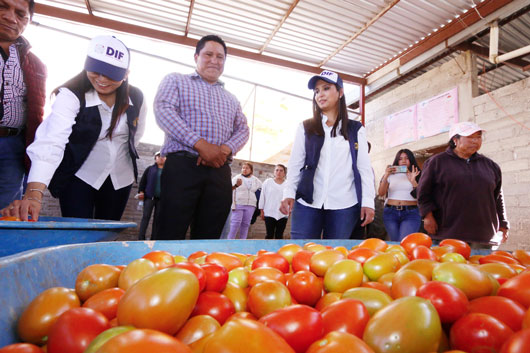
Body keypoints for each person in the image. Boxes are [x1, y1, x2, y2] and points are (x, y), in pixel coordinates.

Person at [1, 35, 146, 221]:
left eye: (111, 74)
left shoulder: (137, 97)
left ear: (126, 74)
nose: (102, 79)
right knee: (77, 226)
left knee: (107, 229)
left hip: (120, 178)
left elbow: (136, 134)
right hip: (79, 175)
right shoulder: (71, 95)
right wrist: (33, 194)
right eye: (96, 70)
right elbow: (53, 140)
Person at [154, 34, 249, 240]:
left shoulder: (231, 99)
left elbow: (243, 130)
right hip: (182, 168)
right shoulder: (176, 80)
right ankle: (165, 271)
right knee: (169, 231)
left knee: (209, 236)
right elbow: (164, 111)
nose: (214, 60)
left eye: (220, 57)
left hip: (219, 172)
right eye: (208, 54)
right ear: (196, 56)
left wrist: (222, 151)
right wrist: (200, 145)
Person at [280, 70, 375, 239]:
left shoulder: (356, 129)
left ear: (340, 92)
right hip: (307, 202)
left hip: (345, 205)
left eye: (326, 88)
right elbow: (295, 163)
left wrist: (368, 202)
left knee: (336, 257)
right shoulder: (306, 127)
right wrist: (288, 192)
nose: (320, 94)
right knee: (301, 253)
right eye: (316, 91)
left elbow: (364, 169)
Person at [417, 121, 509, 247]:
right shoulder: (436, 163)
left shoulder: (490, 166)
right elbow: (423, 193)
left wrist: (503, 224)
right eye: (470, 137)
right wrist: (427, 216)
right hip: (448, 233)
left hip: (483, 235)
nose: (475, 141)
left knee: (483, 266)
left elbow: (498, 197)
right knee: (450, 266)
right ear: (455, 140)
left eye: (478, 137)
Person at [0, 0, 46, 209]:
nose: (11, 17)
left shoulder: (36, 65)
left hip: (13, 146)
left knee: (7, 210)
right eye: (2, 6)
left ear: (28, 21)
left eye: (20, 14)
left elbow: (36, 112)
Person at [378, 149, 421, 241]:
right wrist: (386, 175)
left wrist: (413, 181)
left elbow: (421, 196)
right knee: (394, 242)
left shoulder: (418, 174)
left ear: (411, 159)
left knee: (404, 241)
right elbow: (381, 193)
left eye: (407, 158)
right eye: (400, 159)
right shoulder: (390, 175)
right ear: (397, 161)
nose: (404, 161)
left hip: (411, 213)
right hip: (391, 212)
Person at [227, 162, 262, 239]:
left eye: (247, 168)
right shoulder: (236, 178)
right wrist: (232, 204)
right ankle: (229, 241)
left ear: (251, 170)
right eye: (243, 168)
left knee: (246, 224)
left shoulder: (256, 180)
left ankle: (242, 242)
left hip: (251, 205)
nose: (244, 169)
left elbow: (261, 191)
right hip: (238, 204)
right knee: (235, 223)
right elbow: (230, 190)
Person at [137, 151, 166, 240]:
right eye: (158, 156)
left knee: (157, 220)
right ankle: (141, 238)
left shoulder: (168, 171)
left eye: (163, 156)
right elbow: (143, 182)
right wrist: (141, 192)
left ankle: (154, 238)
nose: (161, 157)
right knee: (145, 217)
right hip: (149, 197)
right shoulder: (150, 169)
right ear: (155, 158)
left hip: (161, 199)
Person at [259, 164, 288, 239]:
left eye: (281, 170)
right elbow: (262, 196)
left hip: (283, 214)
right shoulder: (268, 182)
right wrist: (261, 210)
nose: (279, 172)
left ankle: (279, 250)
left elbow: (290, 198)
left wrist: (289, 210)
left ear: (284, 173)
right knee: (269, 235)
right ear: (274, 172)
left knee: (279, 235)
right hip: (269, 212)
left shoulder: (288, 184)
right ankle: (267, 250)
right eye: (277, 170)